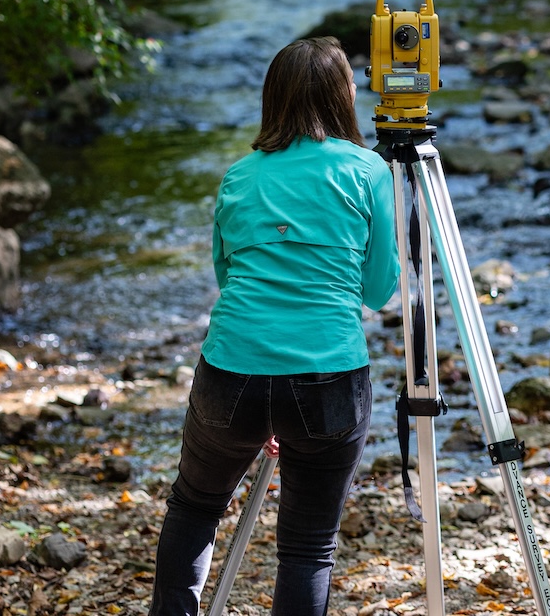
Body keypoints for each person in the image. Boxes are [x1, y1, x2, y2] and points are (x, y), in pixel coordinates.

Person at [149, 36, 400, 616]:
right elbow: (377, 290)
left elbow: (226, 274)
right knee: (308, 548)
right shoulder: (368, 171)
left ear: (272, 98)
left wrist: (264, 401)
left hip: (233, 371)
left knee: (194, 506)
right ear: (343, 97)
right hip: (327, 376)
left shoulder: (239, 176)